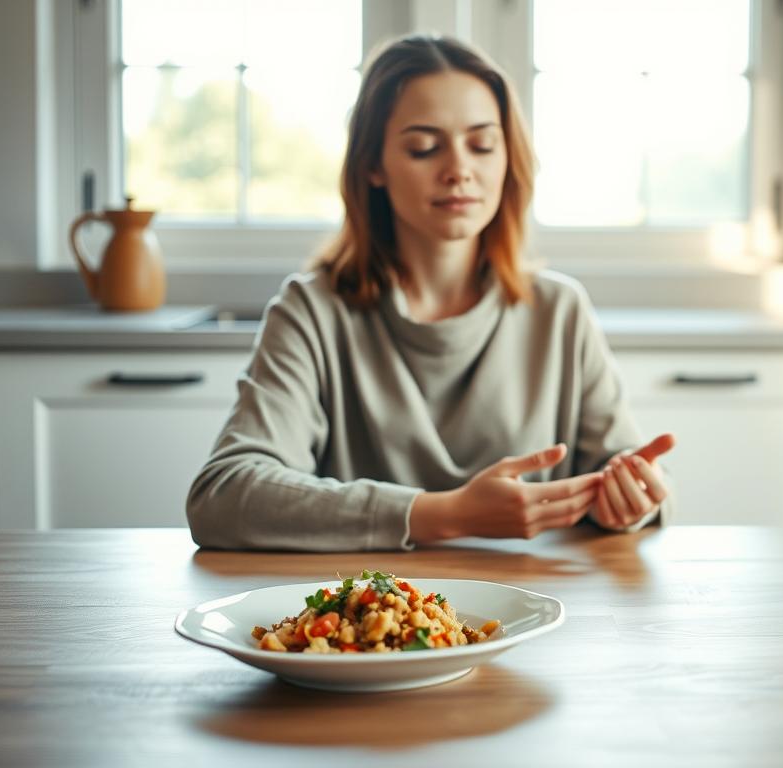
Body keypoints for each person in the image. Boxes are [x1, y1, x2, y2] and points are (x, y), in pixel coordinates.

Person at [186, 34, 675, 551]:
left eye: (482, 145)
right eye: (424, 147)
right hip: (364, 622)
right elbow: (223, 496)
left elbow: (623, 475)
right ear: (373, 165)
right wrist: (443, 514)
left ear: (509, 159)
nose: (459, 169)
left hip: (533, 614)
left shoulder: (560, 310)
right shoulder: (312, 310)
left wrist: (631, 501)